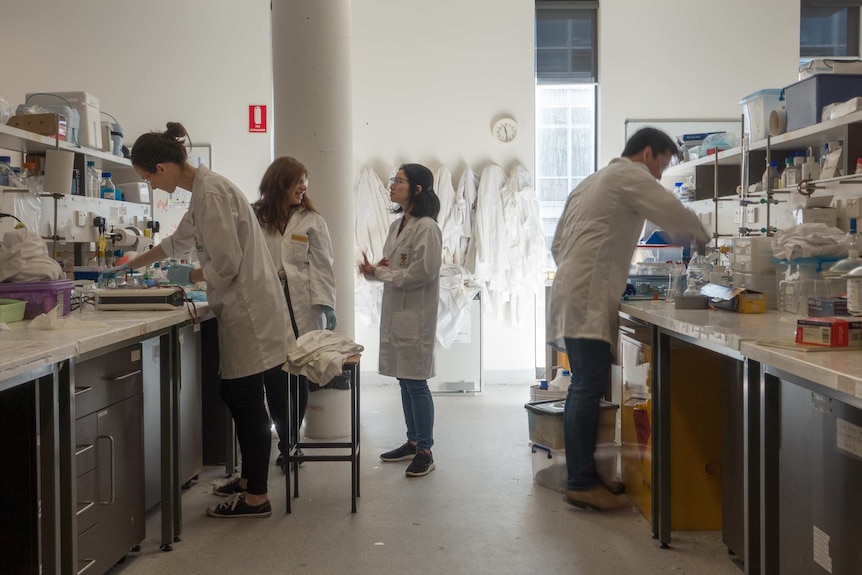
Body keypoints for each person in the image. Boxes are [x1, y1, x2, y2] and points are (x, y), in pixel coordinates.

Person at [99, 122, 288, 518]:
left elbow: (227, 263)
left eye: (147, 177)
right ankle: (248, 480)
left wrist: (190, 275)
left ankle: (257, 497)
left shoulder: (212, 193)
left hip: (249, 310)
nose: (150, 185)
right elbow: (177, 242)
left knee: (247, 400)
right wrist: (131, 263)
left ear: (163, 167)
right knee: (232, 394)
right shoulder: (202, 193)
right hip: (241, 306)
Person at [548, 127, 710, 510]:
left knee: (586, 384)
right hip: (586, 293)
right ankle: (581, 481)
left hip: (574, 287)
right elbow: (671, 211)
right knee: (586, 385)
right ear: (649, 153)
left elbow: (557, 243)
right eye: (662, 165)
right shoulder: (629, 175)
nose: (659, 176)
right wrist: (702, 236)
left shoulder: (592, 181)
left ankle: (587, 474)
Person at [253, 156, 337, 469]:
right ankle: (284, 438)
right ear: (279, 183)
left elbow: (323, 266)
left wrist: (327, 303)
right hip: (267, 304)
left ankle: (292, 444)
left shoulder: (312, 220)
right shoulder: (254, 216)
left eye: (305, 181)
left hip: (302, 306)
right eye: (296, 181)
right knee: (274, 377)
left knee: (297, 375)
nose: (303, 187)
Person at [358, 163, 442, 478]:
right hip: (398, 312)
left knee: (416, 382)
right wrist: (375, 270)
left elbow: (425, 271)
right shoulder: (398, 225)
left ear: (417, 189)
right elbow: (394, 265)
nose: (392, 185)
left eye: (399, 181)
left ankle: (426, 449)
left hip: (416, 315)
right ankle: (412, 440)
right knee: (404, 379)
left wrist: (384, 272)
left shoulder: (427, 228)